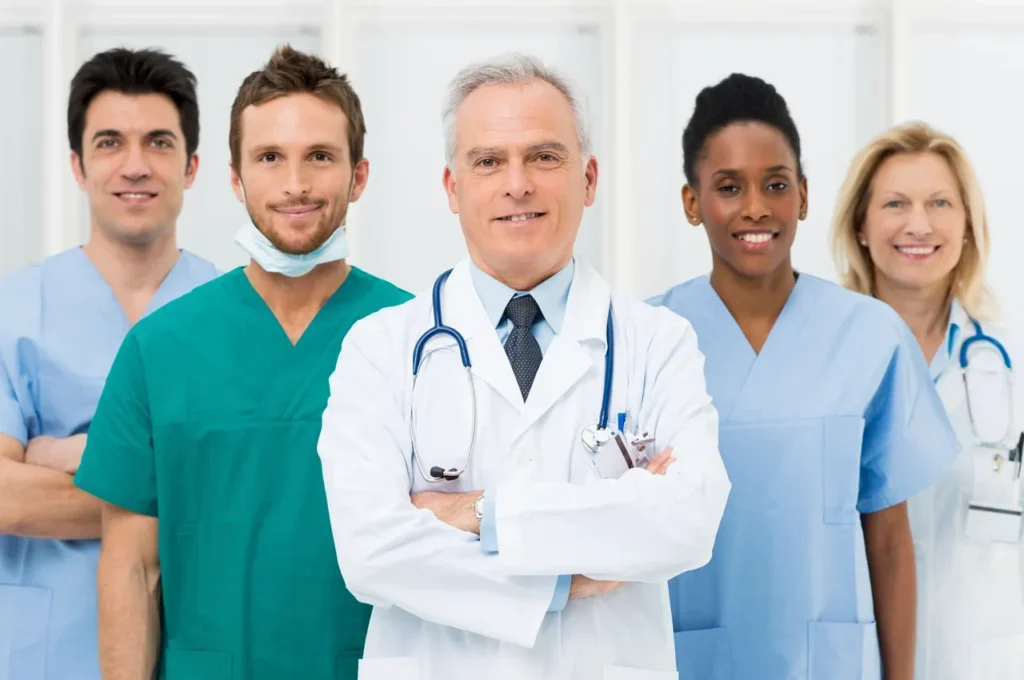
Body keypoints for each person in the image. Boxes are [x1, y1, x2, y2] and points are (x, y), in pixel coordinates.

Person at [316, 53, 731, 680]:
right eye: (488, 161)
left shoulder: (657, 343)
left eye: (544, 156)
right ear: (453, 188)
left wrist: (480, 513)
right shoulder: (380, 348)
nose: (518, 184)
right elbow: (371, 551)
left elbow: (687, 521)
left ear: (588, 179)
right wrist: (562, 581)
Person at [72, 45, 409, 680]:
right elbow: (131, 567)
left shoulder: (414, 339)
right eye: (269, 157)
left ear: (359, 176)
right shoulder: (159, 347)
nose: (295, 183)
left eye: (320, 156)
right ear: (235, 178)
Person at [647, 74, 961, 680]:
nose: (756, 207)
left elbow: (888, 540)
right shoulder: (651, 337)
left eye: (776, 184)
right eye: (728, 187)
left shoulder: (871, 335)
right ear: (692, 202)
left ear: (805, 196)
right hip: (689, 659)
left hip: (831, 663)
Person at [0, 47, 218, 680]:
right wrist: (176, 486)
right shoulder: (16, 308)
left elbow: (257, 491)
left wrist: (67, 454)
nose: (135, 165)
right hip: (45, 650)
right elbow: (5, 498)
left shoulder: (233, 313)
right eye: (109, 143)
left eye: (158, 142)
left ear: (192, 166)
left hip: (196, 643)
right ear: (78, 165)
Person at [831, 121, 1024, 679]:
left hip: (985, 659)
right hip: (852, 661)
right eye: (895, 203)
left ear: (967, 227)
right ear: (861, 226)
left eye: (940, 203)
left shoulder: (1010, 367)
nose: (919, 224)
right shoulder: (818, 362)